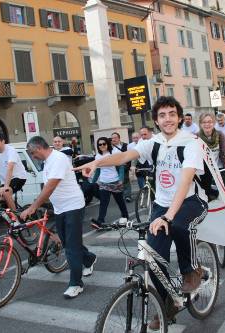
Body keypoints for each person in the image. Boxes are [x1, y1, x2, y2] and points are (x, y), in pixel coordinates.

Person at [75, 96, 208, 329]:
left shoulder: (191, 143)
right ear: (156, 120)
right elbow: (125, 156)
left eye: (172, 114)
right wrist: (97, 163)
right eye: (162, 115)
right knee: (153, 257)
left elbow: (186, 180)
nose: (167, 119)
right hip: (162, 204)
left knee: (177, 224)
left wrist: (168, 216)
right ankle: (169, 304)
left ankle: (191, 270)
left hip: (190, 201)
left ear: (178, 117)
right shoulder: (154, 142)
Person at [20, 136, 96, 299]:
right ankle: (89, 258)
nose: (33, 157)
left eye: (33, 153)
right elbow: (48, 188)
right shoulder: (47, 162)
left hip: (73, 206)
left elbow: (50, 186)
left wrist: (34, 207)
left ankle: (76, 284)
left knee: (71, 248)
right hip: (60, 208)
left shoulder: (58, 159)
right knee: (68, 241)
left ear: (39, 148)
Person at [90, 137, 129, 230]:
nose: (102, 146)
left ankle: (125, 216)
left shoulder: (114, 153)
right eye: (100, 144)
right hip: (103, 182)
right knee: (103, 203)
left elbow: (121, 167)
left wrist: (121, 179)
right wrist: (93, 181)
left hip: (115, 181)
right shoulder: (97, 156)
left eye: (104, 144)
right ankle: (100, 222)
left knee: (120, 202)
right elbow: (98, 170)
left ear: (107, 144)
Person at [198, 113, 225, 186]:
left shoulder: (219, 134)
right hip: (203, 170)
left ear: (213, 123)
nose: (207, 124)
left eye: (209, 122)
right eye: (204, 122)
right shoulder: (196, 137)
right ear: (200, 124)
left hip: (219, 167)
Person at [111, 132, 132, 202]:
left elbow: (129, 155)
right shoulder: (110, 147)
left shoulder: (125, 146)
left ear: (119, 138)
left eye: (115, 138)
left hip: (123, 166)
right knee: (117, 181)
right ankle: (121, 195)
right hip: (114, 167)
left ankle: (127, 196)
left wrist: (128, 165)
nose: (113, 139)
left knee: (125, 181)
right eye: (112, 138)